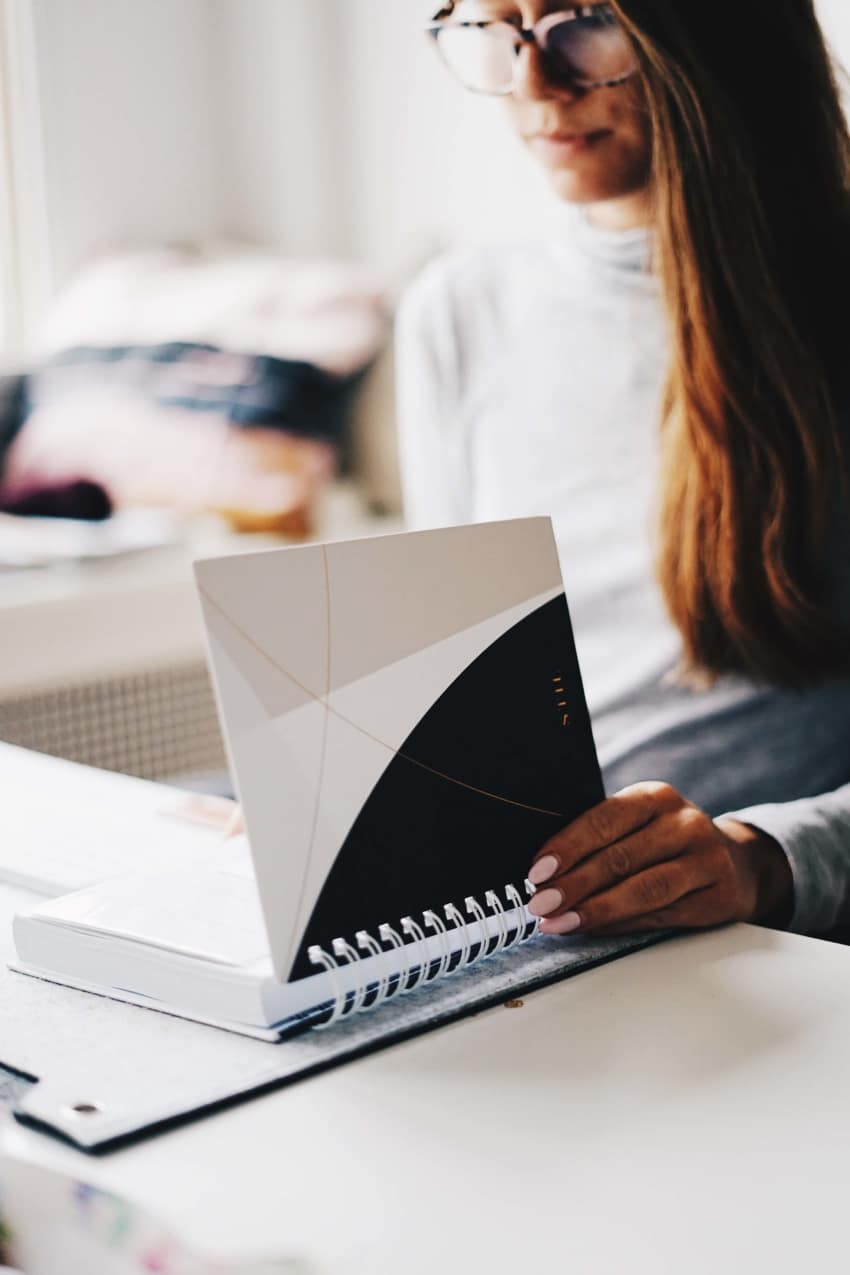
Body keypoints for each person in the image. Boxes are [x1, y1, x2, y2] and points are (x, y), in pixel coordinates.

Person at [396, 0, 850, 939]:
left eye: (583, 23)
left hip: (756, 940)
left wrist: (764, 857)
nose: (531, 82)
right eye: (490, 25)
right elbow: (450, 679)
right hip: (521, 916)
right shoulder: (458, 310)